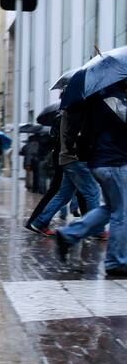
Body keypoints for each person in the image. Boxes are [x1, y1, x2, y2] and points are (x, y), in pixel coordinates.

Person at [55, 81, 127, 277]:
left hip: (102, 162)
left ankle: (68, 235)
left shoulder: (98, 96)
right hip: (114, 162)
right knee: (122, 212)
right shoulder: (112, 98)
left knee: (111, 207)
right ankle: (116, 262)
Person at [25, 109, 103, 237]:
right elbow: (82, 137)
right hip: (77, 158)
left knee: (63, 194)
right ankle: (97, 229)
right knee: (93, 192)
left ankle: (40, 222)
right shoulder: (78, 112)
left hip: (67, 158)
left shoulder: (66, 112)